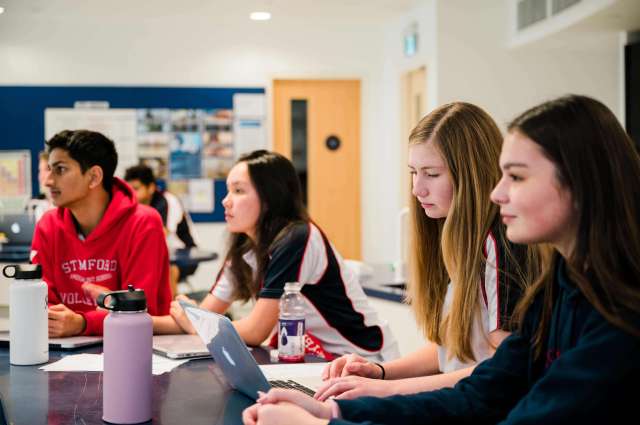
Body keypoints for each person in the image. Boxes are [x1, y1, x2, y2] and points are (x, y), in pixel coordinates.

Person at [243, 95, 640, 424]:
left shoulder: (620, 314)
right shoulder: (560, 285)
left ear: (580, 184)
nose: (497, 193)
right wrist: (335, 410)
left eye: (516, 177)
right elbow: (482, 390)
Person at [312, 102, 538, 401]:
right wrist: (379, 372)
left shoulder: (500, 242)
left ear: (472, 174)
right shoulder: (455, 238)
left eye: (431, 173)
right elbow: (452, 349)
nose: (417, 188)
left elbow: (499, 368)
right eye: (413, 172)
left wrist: (386, 389)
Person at [160, 150, 399, 360]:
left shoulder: (298, 237)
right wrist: (133, 321)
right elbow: (207, 314)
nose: (226, 201)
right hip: (310, 358)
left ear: (269, 198)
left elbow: (255, 331)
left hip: (361, 359)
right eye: (228, 190)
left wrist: (196, 324)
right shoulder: (244, 246)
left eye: (238, 191)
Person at [31, 130, 172, 337]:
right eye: (49, 170)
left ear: (94, 177)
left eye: (60, 169)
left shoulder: (144, 223)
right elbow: (40, 302)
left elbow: (138, 310)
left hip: (137, 348)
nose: (48, 181)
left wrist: (82, 322)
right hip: (63, 350)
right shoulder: (48, 225)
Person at [124, 164, 198, 297]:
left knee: (169, 270)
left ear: (151, 188)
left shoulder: (169, 201)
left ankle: (170, 313)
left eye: (136, 189)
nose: (131, 194)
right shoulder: (132, 206)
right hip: (156, 255)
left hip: (185, 256)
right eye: (129, 189)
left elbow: (161, 234)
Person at [24, 151, 53, 222]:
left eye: (46, 169)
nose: (41, 176)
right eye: (40, 170)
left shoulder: (65, 207)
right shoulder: (40, 208)